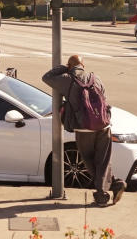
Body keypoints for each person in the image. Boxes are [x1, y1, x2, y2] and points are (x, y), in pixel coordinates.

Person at [42, 54, 126, 206]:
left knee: (89, 160)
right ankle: (115, 184)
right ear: (83, 66)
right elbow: (104, 99)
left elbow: (47, 77)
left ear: (70, 66)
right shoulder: (96, 78)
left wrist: (63, 68)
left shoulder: (67, 79)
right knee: (103, 160)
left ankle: (102, 194)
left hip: (84, 128)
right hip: (104, 125)